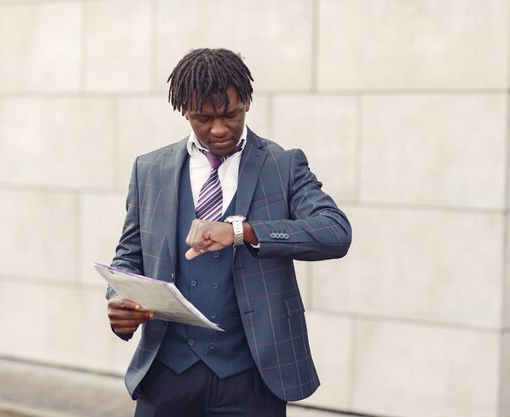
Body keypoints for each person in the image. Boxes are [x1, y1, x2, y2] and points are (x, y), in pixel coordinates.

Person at [106, 48, 351, 417]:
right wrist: (120, 298)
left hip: (252, 376)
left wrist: (243, 231)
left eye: (230, 115)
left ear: (248, 102)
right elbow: (128, 255)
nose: (218, 129)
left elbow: (335, 232)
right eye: (203, 118)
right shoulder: (149, 169)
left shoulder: (282, 166)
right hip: (167, 374)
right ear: (183, 110)